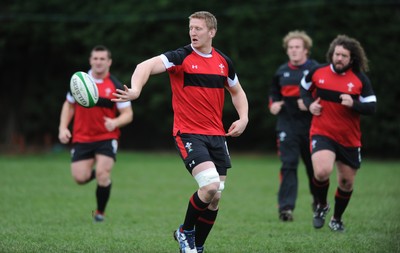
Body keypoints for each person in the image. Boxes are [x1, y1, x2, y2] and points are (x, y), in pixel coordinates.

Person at [112, 11, 248, 253]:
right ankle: (186, 232)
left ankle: (198, 245)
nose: (193, 33)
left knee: (215, 197)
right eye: (191, 28)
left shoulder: (223, 62)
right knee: (209, 186)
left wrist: (244, 118)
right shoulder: (181, 57)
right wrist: (135, 90)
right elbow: (145, 65)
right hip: (189, 133)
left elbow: (237, 92)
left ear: (212, 32)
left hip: (217, 135)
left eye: (198, 28)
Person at [300, 35, 377, 232]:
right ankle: (322, 205)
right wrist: (310, 105)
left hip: (349, 139)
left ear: (352, 59)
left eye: (344, 55)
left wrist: (355, 104)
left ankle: (336, 218)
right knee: (322, 171)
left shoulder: (360, 79)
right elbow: (304, 88)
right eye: (336, 54)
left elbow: (372, 106)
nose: (339, 58)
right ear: (331, 54)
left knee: (346, 182)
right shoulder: (318, 72)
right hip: (322, 132)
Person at [58, 45, 133, 222]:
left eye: (102, 59)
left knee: (102, 173)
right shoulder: (78, 82)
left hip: (106, 137)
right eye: (95, 58)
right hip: (82, 137)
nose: (98, 62)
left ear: (109, 62)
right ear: (90, 60)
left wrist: (115, 122)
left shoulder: (115, 85)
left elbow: (128, 114)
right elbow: (68, 105)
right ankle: (100, 176)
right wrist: (63, 127)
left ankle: (99, 212)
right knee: (80, 178)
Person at [269, 30, 319, 222]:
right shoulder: (281, 71)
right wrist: (273, 104)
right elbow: (273, 92)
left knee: (314, 169)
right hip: (286, 125)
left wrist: (310, 102)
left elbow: (324, 93)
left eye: (297, 47)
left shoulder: (316, 70)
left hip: (312, 126)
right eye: (290, 48)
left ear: (306, 50)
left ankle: (319, 200)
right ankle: (286, 209)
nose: (293, 51)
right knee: (288, 165)